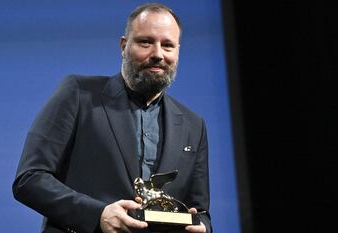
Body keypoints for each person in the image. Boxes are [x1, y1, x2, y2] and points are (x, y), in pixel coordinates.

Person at [13, 3, 212, 233]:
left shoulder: (193, 125)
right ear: (123, 45)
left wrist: (204, 227)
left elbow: (201, 210)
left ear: (177, 51)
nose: (158, 54)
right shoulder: (78, 94)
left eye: (167, 45)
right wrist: (97, 214)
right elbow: (29, 179)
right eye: (146, 42)